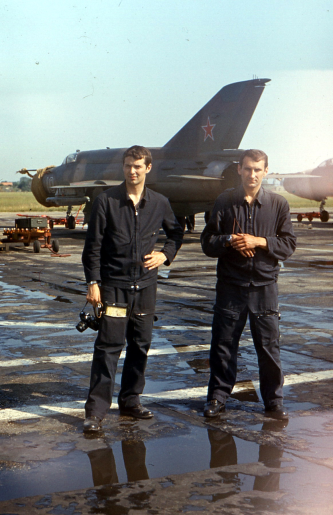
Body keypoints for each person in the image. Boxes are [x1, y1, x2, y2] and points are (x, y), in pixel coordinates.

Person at [81, 145, 183, 432]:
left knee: (140, 345)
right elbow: (93, 248)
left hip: (146, 287)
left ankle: (131, 400)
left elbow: (176, 233)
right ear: (123, 167)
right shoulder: (106, 201)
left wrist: (165, 255)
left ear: (148, 168)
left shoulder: (160, 202)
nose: (132, 170)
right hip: (114, 286)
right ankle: (95, 413)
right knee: (108, 347)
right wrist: (93, 283)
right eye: (128, 165)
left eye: (138, 166)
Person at [201, 149, 296, 420]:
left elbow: (288, 244)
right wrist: (230, 240)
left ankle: (273, 402)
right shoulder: (224, 201)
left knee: (268, 346)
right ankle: (218, 398)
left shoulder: (278, 204)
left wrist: (259, 241)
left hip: (264, 287)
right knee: (223, 344)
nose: (252, 174)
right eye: (247, 169)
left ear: (266, 171)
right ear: (239, 170)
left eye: (257, 169)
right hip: (231, 286)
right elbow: (208, 242)